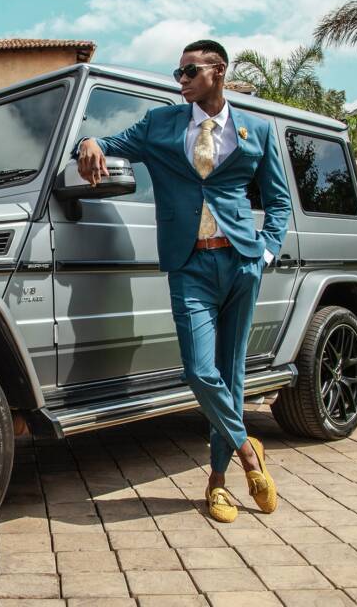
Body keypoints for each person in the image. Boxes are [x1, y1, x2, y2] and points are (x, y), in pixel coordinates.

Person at [76, 40, 291, 523]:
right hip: (189, 264)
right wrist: (88, 142)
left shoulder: (256, 130)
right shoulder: (161, 124)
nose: (181, 80)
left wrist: (265, 250)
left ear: (218, 71)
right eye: (178, 73)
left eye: (190, 71)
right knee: (199, 371)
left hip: (241, 262)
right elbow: (108, 144)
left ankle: (217, 483)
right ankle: (249, 453)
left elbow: (279, 200)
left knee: (231, 376)